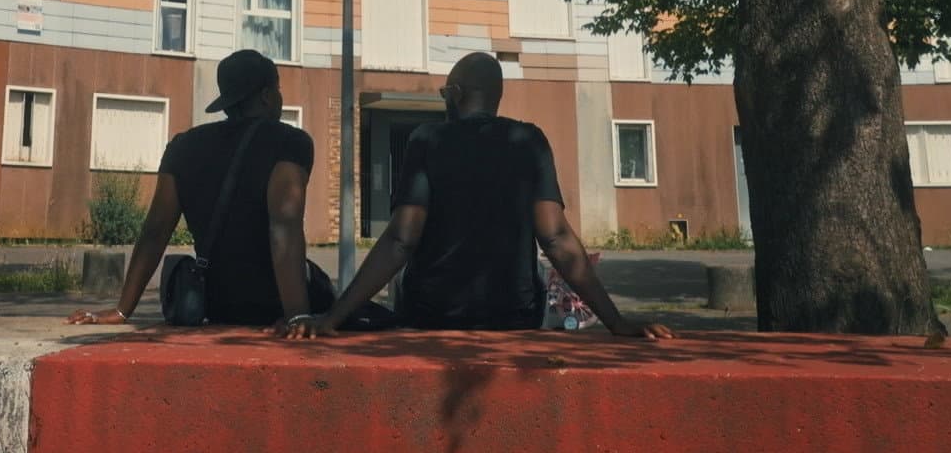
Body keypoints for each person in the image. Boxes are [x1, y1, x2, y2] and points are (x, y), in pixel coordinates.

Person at [281, 51, 672, 339]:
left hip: (432, 317)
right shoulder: (528, 141)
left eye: (443, 92)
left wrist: (333, 317)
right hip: (513, 318)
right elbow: (556, 238)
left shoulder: (427, 140)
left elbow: (401, 239)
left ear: (453, 93)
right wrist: (616, 322)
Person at [70, 50, 322, 327]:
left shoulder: (183, 146)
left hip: (212, 302)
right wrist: (297, 315)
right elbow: (283, 224)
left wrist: (122, 310)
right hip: (275, 304)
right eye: (278, 88)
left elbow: (155, 230)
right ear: (265, 95)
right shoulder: (291, 142)